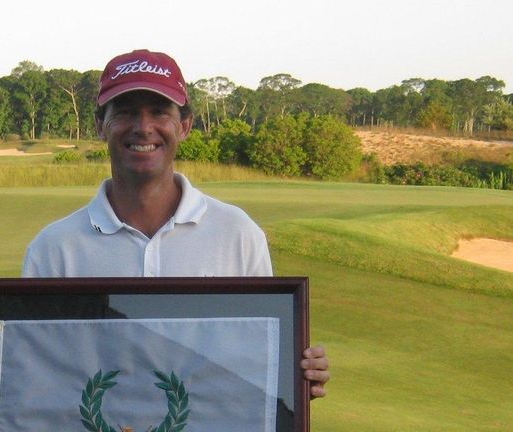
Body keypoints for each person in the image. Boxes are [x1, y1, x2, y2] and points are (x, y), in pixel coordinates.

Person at [22, 49, 329, 398]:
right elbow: (38, 376)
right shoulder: (54, 248)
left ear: (184, 126)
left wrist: (293, 376)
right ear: (100, 125)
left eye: (159, 112)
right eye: (124, 112)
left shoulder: (237, 234)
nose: (143, 127)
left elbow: (255, 358)